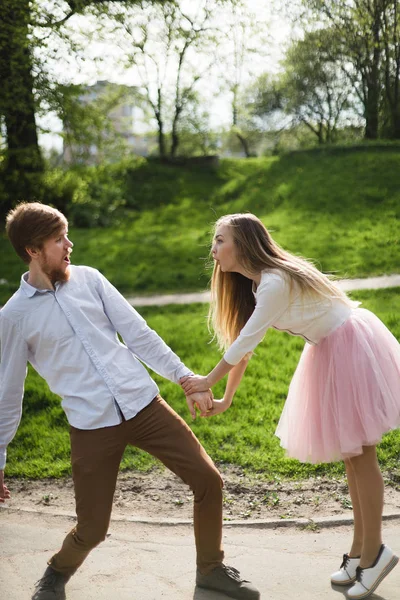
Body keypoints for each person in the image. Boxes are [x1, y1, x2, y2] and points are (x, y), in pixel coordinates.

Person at [0, 202, 260, 600]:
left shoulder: (90, 280)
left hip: (144, 405)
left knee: (208, 480)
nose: (70, 244)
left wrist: (187, 380)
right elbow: (8, 393)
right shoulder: (14, 316)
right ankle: (55, 573)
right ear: (33, 250)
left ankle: (211, 570)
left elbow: (138, 335)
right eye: (59, 239)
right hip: (91, 424)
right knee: (92, 529)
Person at [181, 212, 400, 600]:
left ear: (243, 244)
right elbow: (244, 349)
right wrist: (226, 397)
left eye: (219, 240)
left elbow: (243, 344)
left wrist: (206, 382)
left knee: (362, 456)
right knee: (352, 457)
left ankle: (376, 553)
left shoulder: (274, 283)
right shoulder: (259, 284)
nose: (213, 250)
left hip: (348, 348)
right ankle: (358, 551)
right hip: (331, 349)